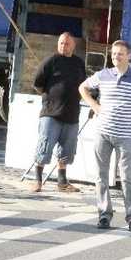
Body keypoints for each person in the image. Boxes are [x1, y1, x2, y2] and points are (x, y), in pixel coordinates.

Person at [78, 40, 131, 233]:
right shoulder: (103, 75)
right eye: (113, 54)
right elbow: (83, 88)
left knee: (128, 177)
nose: (116, 57)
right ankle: (104, 215)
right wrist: (94, 105)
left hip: (125, 134)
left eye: (120, 54)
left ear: (129, 56)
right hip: (103, 132)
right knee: (101, 176)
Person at [30, 32, 86, 193]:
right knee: (44, 146)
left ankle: (62, 181)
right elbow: (38, 84)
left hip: (71, 113)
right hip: (51, 113)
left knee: (67, 150)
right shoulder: (51, 61)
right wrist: (51, 96)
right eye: (61, 43)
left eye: (67, 43)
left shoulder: (78, 63)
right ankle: (38, 180)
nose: (63, 46)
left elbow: (83, 84)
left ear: (73, 45)